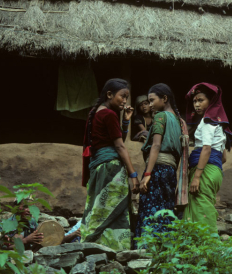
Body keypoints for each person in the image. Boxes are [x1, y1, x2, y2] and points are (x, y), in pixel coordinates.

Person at [81, 78, 140, 251]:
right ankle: (113, 247)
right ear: (109, 94)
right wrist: (133, 175)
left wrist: (126, 121)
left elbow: (113, 137)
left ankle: (97, 245)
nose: (124, 101)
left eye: (126, 97)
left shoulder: (97, 112)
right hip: (111, 168)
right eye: (122, 96)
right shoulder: (108, 114)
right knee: (114, 207)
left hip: (100, 167)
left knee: (101, 207)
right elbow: (120, 145)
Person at [135, 84, 189, 247]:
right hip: (170, 171)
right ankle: (164, 247)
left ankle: (146, 247)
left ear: (164, 99)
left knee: (151, 207)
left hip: (157, 169)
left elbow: (156, 146)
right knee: (165, 208)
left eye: (152, 100)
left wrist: (147, 174)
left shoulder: (160, 117)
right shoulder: (180, 122)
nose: (150, 105)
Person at [183, 83, 232, 234]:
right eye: (194, 101)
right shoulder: (218, 125)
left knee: (201, 209)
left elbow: (206, 148)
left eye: (201, 100)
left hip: (204, 171)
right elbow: (223, 157)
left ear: (210, 101)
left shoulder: (207, 122)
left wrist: (197, 176)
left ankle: (208, 247)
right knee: (205, 206)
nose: (196, 104)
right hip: (215, 171)